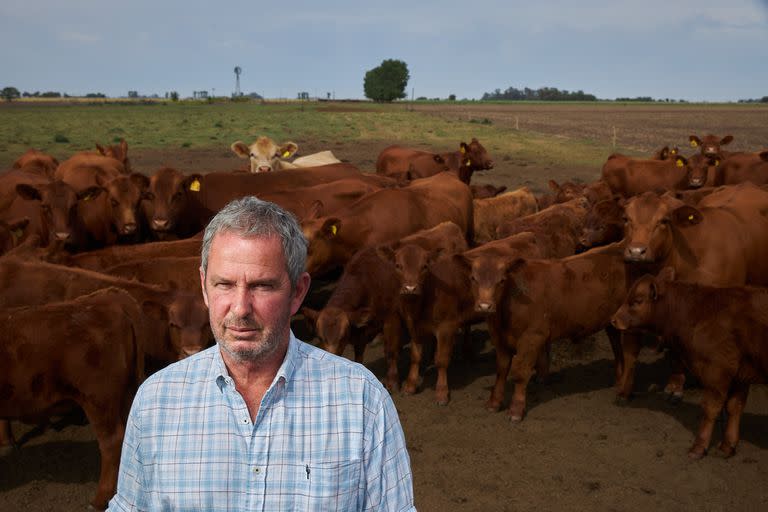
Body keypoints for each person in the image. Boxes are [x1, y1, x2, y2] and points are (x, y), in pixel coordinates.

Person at [108, 196, 415, 511]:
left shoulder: (362, 400)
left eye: (262, 286)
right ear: (203, 287)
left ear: (297, 292)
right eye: (224, 285)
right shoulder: (155, 401)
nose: (240, 309)